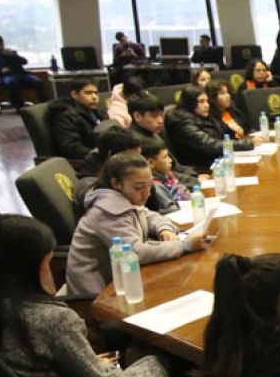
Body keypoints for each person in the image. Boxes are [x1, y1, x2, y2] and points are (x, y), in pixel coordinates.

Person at [0, 215, 175, 377]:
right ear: (28, 270)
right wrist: (108, 370)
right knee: (157, 360)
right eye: (46, 264)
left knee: (138, 353)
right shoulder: (52, 320)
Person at [64, 152, 215, 296]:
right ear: (116, 184)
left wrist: (164, 229)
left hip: (126, 279)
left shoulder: (126, 197)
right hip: (99, 292)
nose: (147, 193)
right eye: (139, 187)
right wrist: (185, 245)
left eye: (149, 186)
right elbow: (135, 252)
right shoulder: (106, 211)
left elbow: (149, 216)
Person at [165, 85, 254, 168]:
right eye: (201, 102)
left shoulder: (202, 115)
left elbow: (222, 134)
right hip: (202, 167)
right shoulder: (183, 124)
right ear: (190, 103)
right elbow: (210, 145)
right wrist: (246, 144)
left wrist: (232, 130)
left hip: (218, 160)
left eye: (207, 101)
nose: (206, 105)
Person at [47, 77, 107, 163]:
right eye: (88, 93)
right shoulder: (65, 116)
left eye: (96, 93)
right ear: (74, 94)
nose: (94, 97)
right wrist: (100, 154)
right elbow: (71, 148)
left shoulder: (95, 111)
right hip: (86, 162)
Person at [0, 35, 46, 108]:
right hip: (5, 76)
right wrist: (1, 70)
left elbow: (24, 62)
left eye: (1, 44)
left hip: (21, 73)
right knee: (12, 82)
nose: (0, 47)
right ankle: (19, 106)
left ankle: (44, 104)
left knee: (37, 81)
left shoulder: (10, 52)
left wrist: (13, 55)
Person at [142, 134, 188, 213]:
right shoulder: (155, 185)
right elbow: (171, 209)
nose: (170, 160)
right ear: (151, 162)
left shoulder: (167, 175)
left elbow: (183, 191)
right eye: (165, 157)